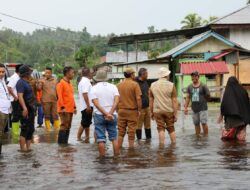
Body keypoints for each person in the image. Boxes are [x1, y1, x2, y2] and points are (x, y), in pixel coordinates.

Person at [90, 70, 120, 157]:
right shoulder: (113, 87)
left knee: (101, 139)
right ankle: (117, 158)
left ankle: (102, 159)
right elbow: (116, 101)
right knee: (114, 138)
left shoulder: (94, 88)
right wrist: (110, 113)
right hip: (112, 115)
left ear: (97, 78)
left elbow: (96, 103)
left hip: (99, 115)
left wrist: (105, 113)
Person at [150, 67, 178, 145]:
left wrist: (151, 112)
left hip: (157, 111)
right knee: (171, 128)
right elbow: (174, 100)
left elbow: (151, 100)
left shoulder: (152, 85)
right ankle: (174, 145)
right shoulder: (171, 85)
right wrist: (175, 114)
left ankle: (161, 146)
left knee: (160, 128)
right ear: (166, 75)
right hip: (169, 110)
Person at [218, 76, 250, 141]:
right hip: (243, 120)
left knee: (229, 139)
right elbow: (247, 103)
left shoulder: (227, 91)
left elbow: (224, 104)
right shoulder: (243, 90)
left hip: (231, 121)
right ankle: (242, 150)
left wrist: (221, 115)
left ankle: (232, 150)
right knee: (241, 139)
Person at [117, 67, 142, 148]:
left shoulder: (119, 85)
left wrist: (118, 109)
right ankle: (131, 151)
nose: (134, 75)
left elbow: (116, 98)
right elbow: (138, 98)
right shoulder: (135, 84)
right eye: (134, 73)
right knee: (131, 133)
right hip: (132, 111)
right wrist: (139, 110)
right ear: (131, 75)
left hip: (121, 111)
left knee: (121, 131)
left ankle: (118, 149)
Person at [16, 65, 36, 152]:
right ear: (26, 74)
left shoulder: (26, 82)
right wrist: (24, 108)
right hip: (26, 109)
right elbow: (20, 96)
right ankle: (23, 150)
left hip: (31, 109)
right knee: (24, 129)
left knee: (30, 129)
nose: (30, 74)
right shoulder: (20, 83)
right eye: (29, 73)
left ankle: (28, 149)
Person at [184, 71, 210, 136]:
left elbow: (208, 95)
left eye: (195, 76)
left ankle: (206, 137)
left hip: (203, 108)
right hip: (194, 109)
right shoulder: (189, 87)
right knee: (196, 123)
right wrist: (185, 108)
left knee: (204, 123)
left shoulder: (203, 86)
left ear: (198, 77)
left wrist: (205, 101)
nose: (194, 77)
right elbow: (188, 97)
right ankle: (197, 137)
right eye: (192, 76)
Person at [56, 66, 76, 144]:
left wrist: (74, 107)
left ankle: (65, 143)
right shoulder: (61, 83)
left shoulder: (70, 84)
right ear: (67, 73)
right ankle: (61, 144)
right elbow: (59, 97)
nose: (73, 74)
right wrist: (62, 107)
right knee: (64, 126)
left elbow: (71, 96)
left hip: (70, 109)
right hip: (64, 109)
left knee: (68, 126)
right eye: (72, 73)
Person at [77, 68, 93, 142]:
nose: (92, 74)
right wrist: (88, 106)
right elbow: (85, 93)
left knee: (87, 123)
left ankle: (87, 138)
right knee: (84, 123)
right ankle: (78, 138)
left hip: (85, 105)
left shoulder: (82, 81)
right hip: (86, 106)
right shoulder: (85, 81)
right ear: (88, 73)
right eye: (91, 73)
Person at [136, 68, 151, 140]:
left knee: (148, 125)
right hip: (140, 107)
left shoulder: (145, 82)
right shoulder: (136, 83)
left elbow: (148, 93)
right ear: (142, 74)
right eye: (146, 74)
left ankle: (148, 140)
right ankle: (139, 140)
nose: (148, 75)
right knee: (139, 125)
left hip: (147, 107)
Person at [7, 64, 23, 135]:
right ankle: (15, 133)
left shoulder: (18, 77)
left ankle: (17, 131)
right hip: (15, 100)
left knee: (19, 115)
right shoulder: (14, 77)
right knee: (16, 115)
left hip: (19, 99)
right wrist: (15, 97)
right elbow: (9, 87)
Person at [0, 63, 11, 154]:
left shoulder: (3, 80)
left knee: (2, 133)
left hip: (5, 110)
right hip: (1, 111)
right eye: (0, 72)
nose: (1, 73)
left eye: (3, 72)